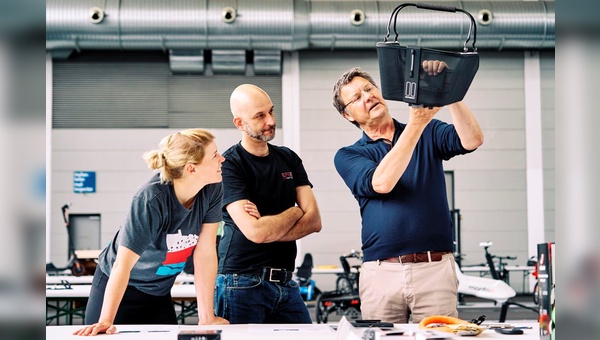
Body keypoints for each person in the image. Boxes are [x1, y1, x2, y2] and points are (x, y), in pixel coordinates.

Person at [331, 65, 484, 323]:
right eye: (356, 98)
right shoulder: (349, 155)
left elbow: (472, 139)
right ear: (348, 115)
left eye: (369, 89)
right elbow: (381, 183)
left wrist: (451, 92)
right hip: (381, 273)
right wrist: (416, 123)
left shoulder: (429, 131)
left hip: (435, 269)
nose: (367, 96)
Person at [74, 129, 229, 336]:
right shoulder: (151, 200)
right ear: (191, 169)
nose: (222, 158)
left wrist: (206, 317)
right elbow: (122, 264)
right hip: (121, 288)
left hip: (158, 292)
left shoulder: (212, 189)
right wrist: (106, 320)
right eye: (214, 155)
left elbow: (206, 252)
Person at [215, 84, 322, 324]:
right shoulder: (230, 164)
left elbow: (314, 221)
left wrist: (268, 225)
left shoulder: (288, 158)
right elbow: (255, 232)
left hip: (285, 282)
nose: (271, 121)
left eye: (271, 112)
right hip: (241, 282)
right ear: (240, 123)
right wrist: (295, 212)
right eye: (260, 116)